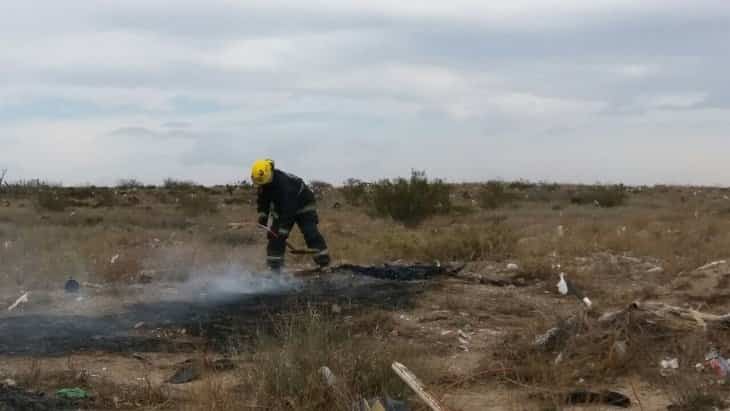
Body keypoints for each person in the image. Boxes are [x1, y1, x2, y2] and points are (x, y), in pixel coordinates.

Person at [251, 159, 330, 272]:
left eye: (263, 182)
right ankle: (274, 270)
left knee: (310, 232)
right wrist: (263, 216)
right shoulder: (264, 183)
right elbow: (263, 201)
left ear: (270, 173)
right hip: (282, 207)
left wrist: (283, 229)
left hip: (303, 204)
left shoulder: (285, 185)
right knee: (275, 236)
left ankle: (324, 264)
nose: (262, 184)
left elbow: (289, 210)